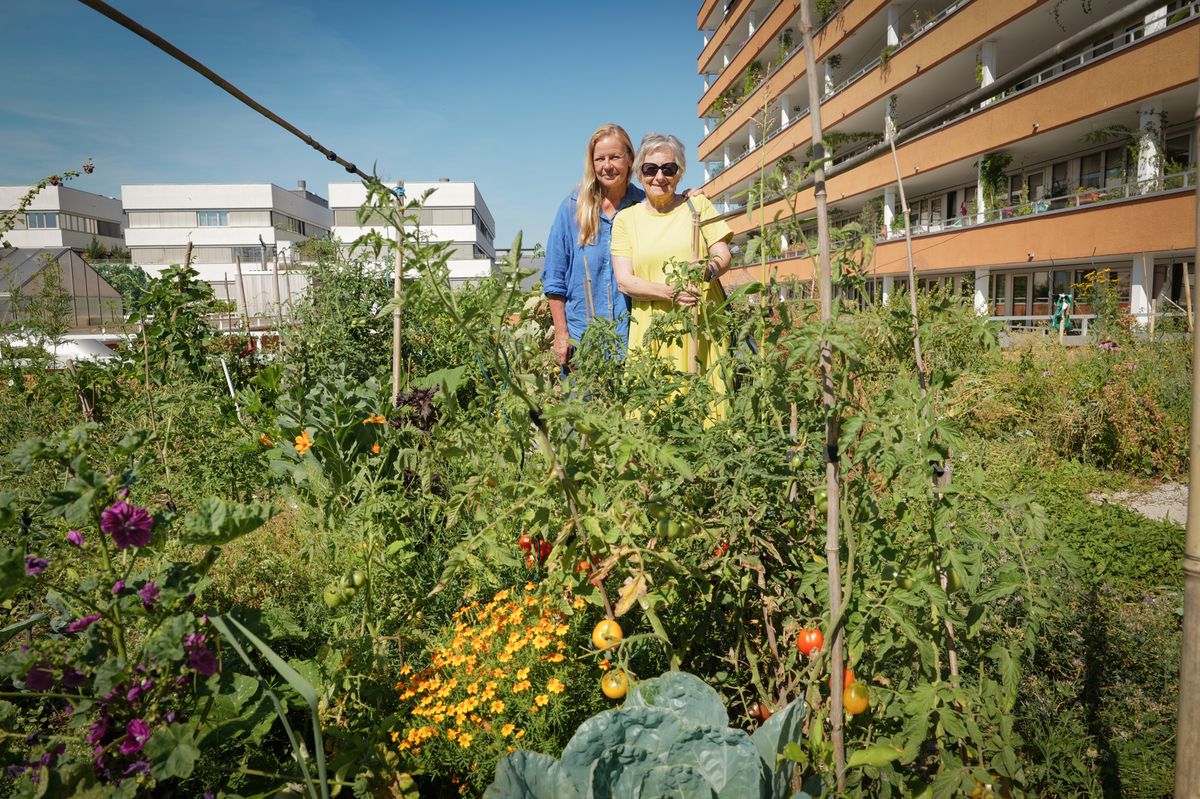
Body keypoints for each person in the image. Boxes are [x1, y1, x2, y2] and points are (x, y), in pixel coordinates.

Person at [611, 133, 733, 415]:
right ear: (639, 174)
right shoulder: (626, 220)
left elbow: (723, 255)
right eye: (650, 169)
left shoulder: (697, 206)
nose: (659, 177)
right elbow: (624, 281)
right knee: (653, 412)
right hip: (652, 329)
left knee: (708, 409)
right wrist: (671, 293)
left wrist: (708, 270)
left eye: (668, 169)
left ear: (679, 174)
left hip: (701, 326)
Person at [542, 124, 643, 376]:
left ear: (630, 158)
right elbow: (554, 277)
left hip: (633, 343)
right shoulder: (573, 207)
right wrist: (561, 334)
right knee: (581, 403)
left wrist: (689, 197)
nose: (607, 166)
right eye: (600, 159)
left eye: (615, 157)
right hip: (582, 344)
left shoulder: (644, 206)